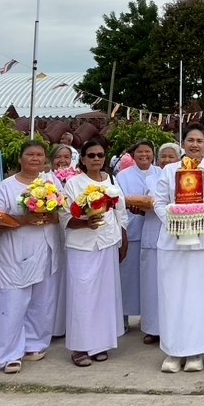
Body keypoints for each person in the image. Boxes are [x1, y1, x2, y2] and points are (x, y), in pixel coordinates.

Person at [153, 127, 204, 373]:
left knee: (200, 299)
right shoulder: (169, 170)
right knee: (171, 297)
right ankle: (172, 352)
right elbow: (159, 202)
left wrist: (199, 221)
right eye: (190, 140)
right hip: (173, 241)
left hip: (203, 243)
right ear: (182, 143)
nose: (195, 144)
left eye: (199, 141)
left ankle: (196, 352)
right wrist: (176, 221)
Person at [0, 140, 60, 374]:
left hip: (46, 248)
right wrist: (23, 220)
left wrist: (52, 215)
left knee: (43, 300)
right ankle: (10, 354)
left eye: (40, 155)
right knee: (14, 302)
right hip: (16, 252)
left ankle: (35, 344)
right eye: (30, 154)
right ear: (20, 158)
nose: (35, 159)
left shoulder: (51, 181)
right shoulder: (7, 187)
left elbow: (63, 211)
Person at [60, 140, 128, 366]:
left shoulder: (111, 180)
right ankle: (80, 347)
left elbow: (121, 213)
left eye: (100, 155)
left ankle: (100, 343)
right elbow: (64, 216)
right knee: (82, 294)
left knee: (104, 295)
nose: (96, 159)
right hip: (82, 246)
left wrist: (123, 240)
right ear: (83, 159)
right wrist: (84, 223)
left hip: (108, 243)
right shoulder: (73, 183)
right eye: (91, 155)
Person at [116, 140, 161, 343]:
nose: (144, 155)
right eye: (140, 151)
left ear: (153, 155)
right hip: (133, 230)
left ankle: (150, 319)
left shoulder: (161, 173)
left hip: (155, 232)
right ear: (133, 155)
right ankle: (123, 317)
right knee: (128, 278)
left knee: (151, 281)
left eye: (148, 152)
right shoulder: (123, 176)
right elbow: (119, 201)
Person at [48, 143, 78, 337]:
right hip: (54, 229)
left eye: (66, 157)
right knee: (54, 274)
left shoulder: (78, 178)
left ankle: (70, 322)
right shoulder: (45, 179)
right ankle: (53, 324)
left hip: (74, 231)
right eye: (59, 157)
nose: (63, 161)